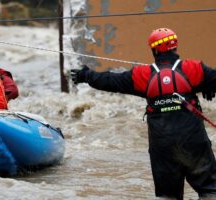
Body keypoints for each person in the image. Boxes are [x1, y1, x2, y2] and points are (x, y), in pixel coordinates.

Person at [70, 28, 216, 199]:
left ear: (154, 50)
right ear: (175, 47)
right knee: (210, 191)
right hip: (194, 143)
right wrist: (208, 87)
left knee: (168, 196)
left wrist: (85, 75)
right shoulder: (195, 69)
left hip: (163, 148)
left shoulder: (142, 75)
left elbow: (110, 81)